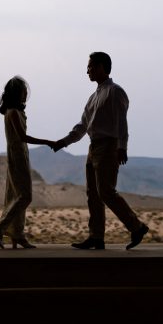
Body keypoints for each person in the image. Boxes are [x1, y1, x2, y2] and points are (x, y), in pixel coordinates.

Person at [51, 52, 150, 250]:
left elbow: (122, 121)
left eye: (91, 66)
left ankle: (136, 227)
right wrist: (64, 142)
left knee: (106, 191)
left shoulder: (116, 92)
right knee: (93, 194)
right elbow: (83, 125)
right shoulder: (93, 97)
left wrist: (122, 147)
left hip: (109, 146)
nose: (87, 70)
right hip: (94, 146)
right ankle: (96, 237)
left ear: (102, 67)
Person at [0, 76, 55, 249]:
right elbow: (23, 137)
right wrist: (48, 142)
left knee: (15, 196)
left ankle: (17, 235)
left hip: (20, 155)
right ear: (17, 93)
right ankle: (0, 228)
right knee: (25, 196)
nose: (26, 94)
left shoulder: (14, 111)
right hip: (18, 157)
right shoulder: (13, 112)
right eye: (24, 91)